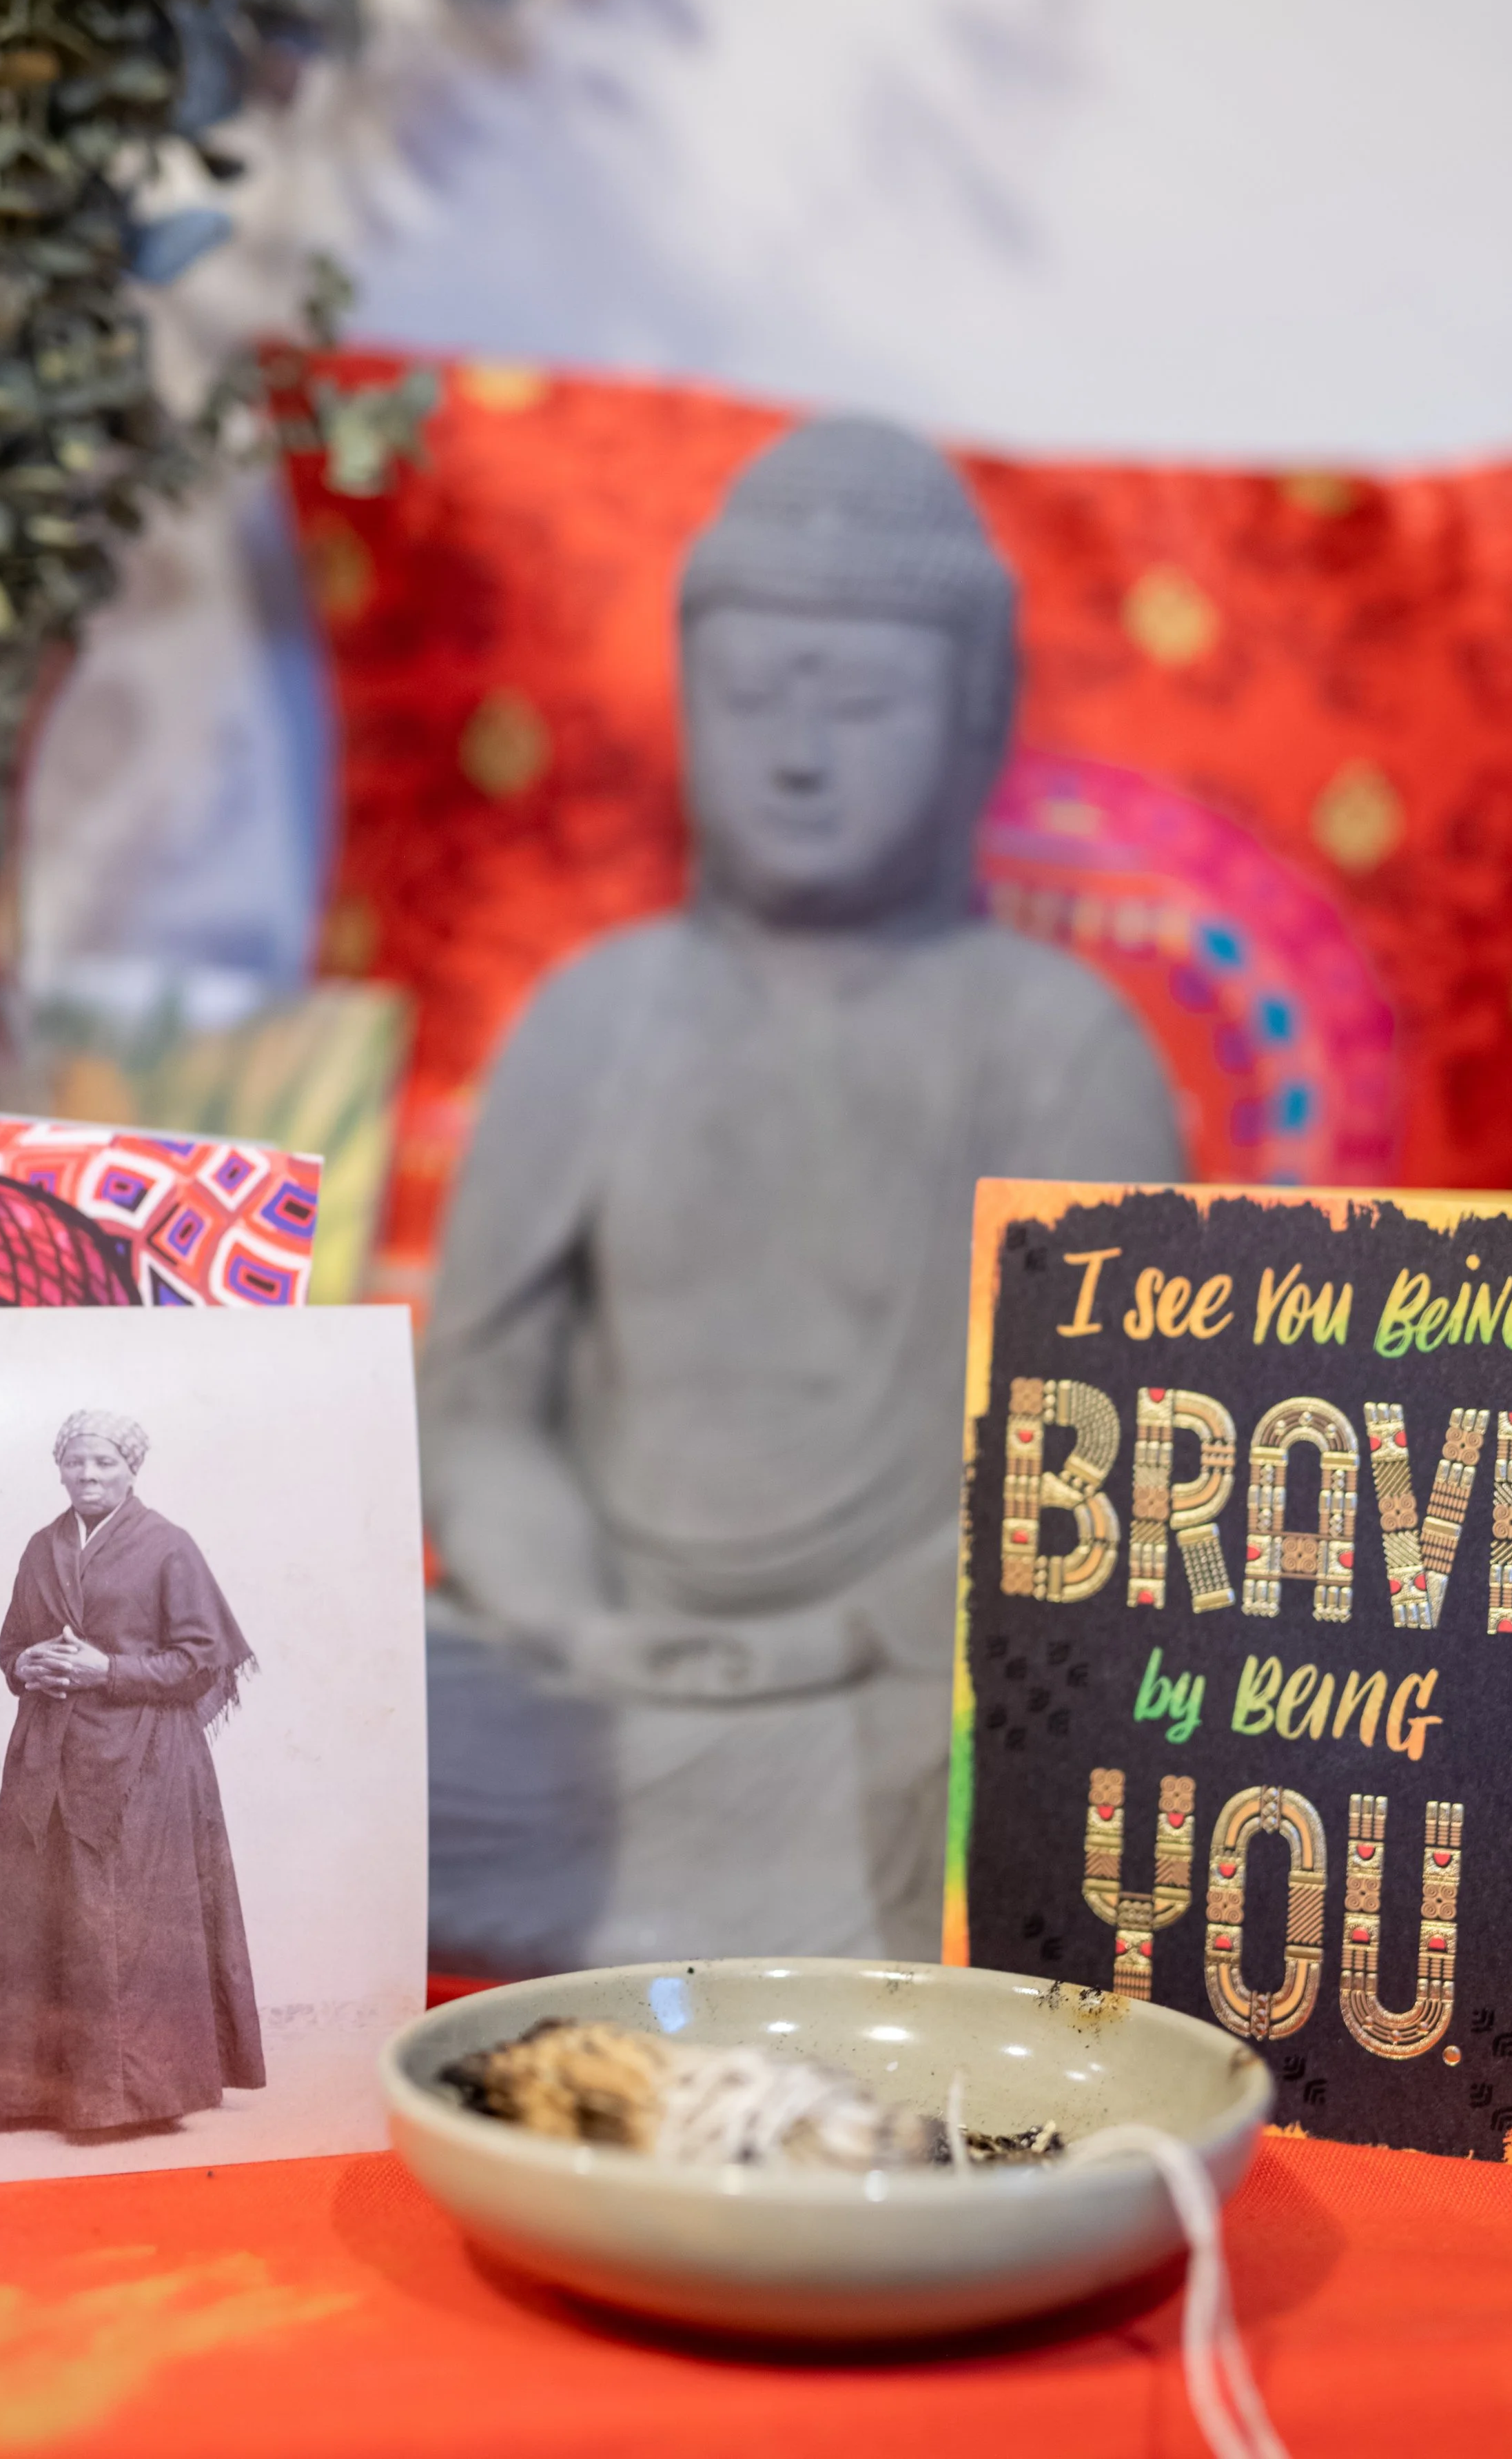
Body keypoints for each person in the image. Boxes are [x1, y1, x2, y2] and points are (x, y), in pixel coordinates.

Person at [420, 414, 1184, 1974]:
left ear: (975, 717)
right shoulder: (598, 1011)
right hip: (596, 1668)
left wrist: (831, 1638)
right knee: (353, 1719)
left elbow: (1101, 1477)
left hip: (890, 1680)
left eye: (861, 697)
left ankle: (696, 1921)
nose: (798, 749)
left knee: (1029, 1777)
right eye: (754, 690)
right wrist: (571, 1615)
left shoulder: (1060, 1043)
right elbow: (478, 1400)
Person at [0, 1412, 263, 2135]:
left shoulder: (168, 1547)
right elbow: (11, 1646)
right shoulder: (42, 1546)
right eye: (77, 1464)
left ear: (131, 1470)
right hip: (47, 1758)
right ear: (60, 1469)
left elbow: (200, 1661)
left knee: (124, 1919)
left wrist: (108, 1668)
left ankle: (139, 2094)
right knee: (37, 1914)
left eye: (104, 1464)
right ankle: (31, 2094)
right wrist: (24, 1664)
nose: (89, 1477)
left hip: (143, 1763)